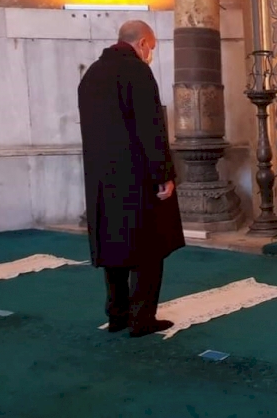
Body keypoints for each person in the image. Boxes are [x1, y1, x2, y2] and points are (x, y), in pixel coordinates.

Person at [77, 20, 185, 338]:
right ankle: (142, 318)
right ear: (141, 43)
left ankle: (117, 314)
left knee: (113, 246)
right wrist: (163, 174)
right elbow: (151, 129)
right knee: (148, 248)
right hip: (136, 178)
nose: (150, 53)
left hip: (101, 181)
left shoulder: (91, 75)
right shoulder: (136, 72)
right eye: (151, 47)